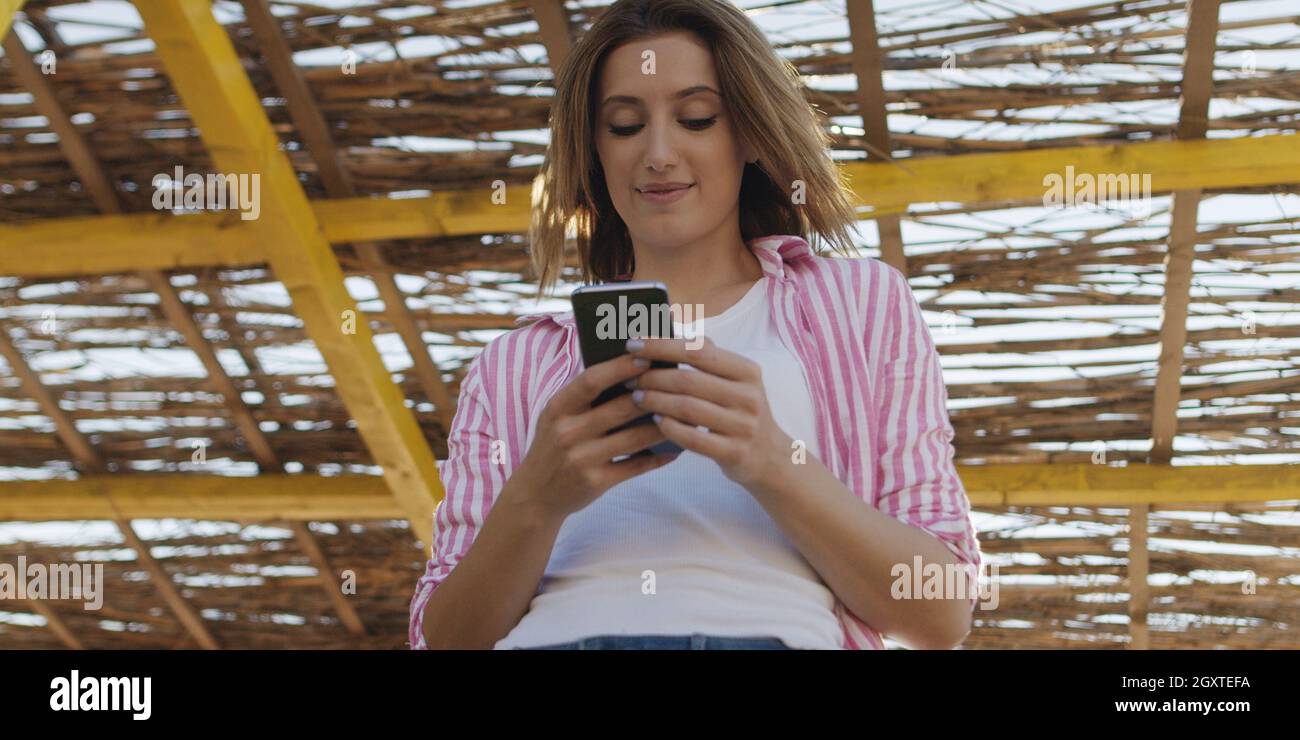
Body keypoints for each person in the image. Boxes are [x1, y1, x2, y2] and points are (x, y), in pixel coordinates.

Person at [409, 0, 981, 650]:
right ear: (594, 151)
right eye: (623, 126)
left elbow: (940, 611)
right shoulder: (512, 366)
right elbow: (444, 638)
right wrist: (536, 500)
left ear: (751, 134)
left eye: (697, 118)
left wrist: (772, 460)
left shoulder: (860, 305)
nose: (658, 153)